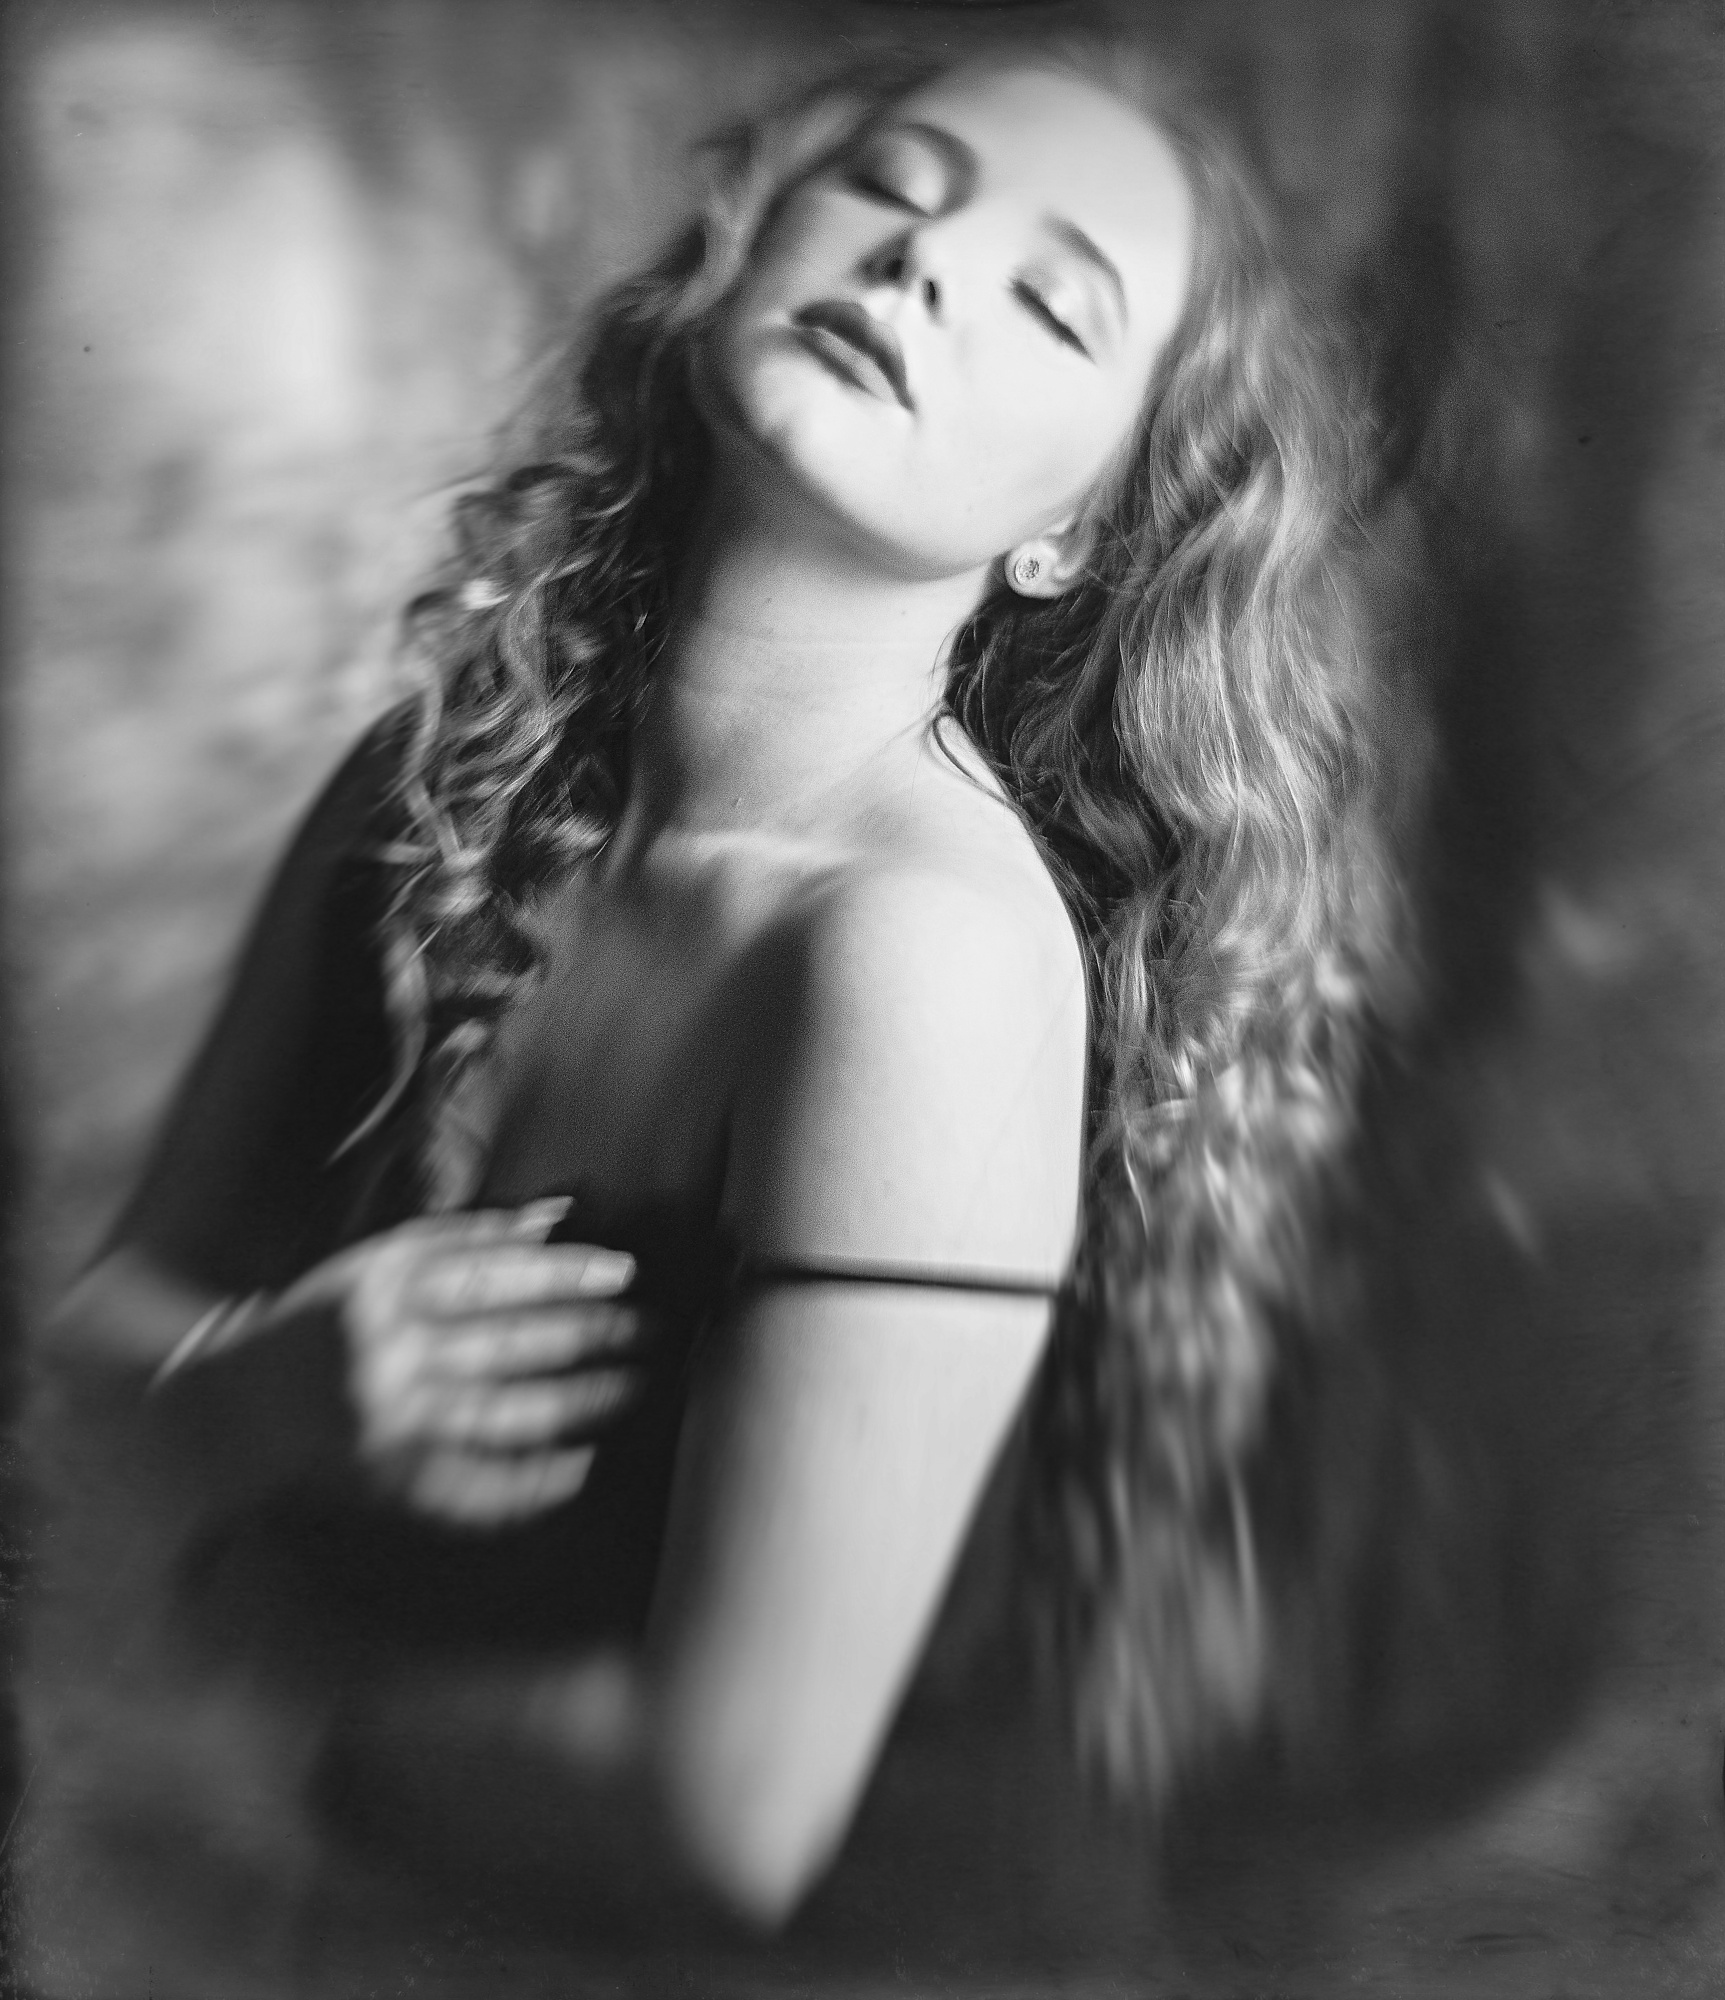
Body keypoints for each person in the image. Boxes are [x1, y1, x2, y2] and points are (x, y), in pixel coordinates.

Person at [54, 38, 1416, 1933]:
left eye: (1051, 303)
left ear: (1079, 532)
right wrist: (244, 1404)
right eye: (889, 188)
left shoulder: (916, 957)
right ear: (741, 243)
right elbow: (108, 1332)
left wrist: (170, 1692)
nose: (922, 265)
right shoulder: (438, 778)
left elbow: (722, 1819)